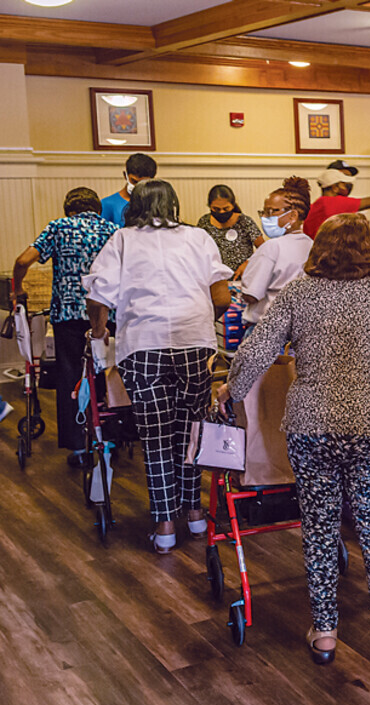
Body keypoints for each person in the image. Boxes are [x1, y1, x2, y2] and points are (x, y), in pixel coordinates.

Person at [218, 213, 370, 667]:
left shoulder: (298, 293)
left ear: (318, 250)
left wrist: (234, 388)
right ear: (368, 249)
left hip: (311, 425)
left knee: (320, 527)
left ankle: (324, 631)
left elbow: (257, 349)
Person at [83, 180, 232, 554]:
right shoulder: (199, 237)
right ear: (174, 204)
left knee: (156, 435)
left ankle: (165, 524)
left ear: (135, 204)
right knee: (191, 431)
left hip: (143, 345)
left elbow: (98, 295)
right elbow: (221, 296)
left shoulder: (123, 240)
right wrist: (198, 321)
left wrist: (99, 333)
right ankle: (195, 514)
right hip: (194, 344)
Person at [12, 187, 119, 464]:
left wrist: (18, 288)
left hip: (69, 314)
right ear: (97, 208)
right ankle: (110, 438)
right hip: (108, 314)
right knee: (106, 375)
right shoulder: (113, 229)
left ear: (68, 209)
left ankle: (78, 447)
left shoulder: (59, 227)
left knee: (72, 376)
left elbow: (23, 260)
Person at [240, 177, 313, 335]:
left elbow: (252, 294)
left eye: (272, 211)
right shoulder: (312, 245)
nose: (265, 217)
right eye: (264, 212)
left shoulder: (272, 247)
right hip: (299, 330)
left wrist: (240, 291)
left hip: (266, 330)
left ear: (293, 215)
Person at [196, 185, 264, 276]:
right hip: (215, 277)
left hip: (243, 277)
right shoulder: (204, 222)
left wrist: (249, 262)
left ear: (233, 205)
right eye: (216, 209)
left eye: (226, 208)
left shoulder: (244, 222)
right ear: (209, 206)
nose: (221, 212)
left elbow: (264, 248)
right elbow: (198, 250)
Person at [303, 169, 370, 239]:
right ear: (334, 188)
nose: (347, 187)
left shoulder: (315, 205)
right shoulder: (335, 203)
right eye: (344, 184)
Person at [100, 153, 157, 227]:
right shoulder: (107, 204)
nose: (137, 187)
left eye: (143, 183)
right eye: (134, 181)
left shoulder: (156, 203)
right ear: (125, 175)